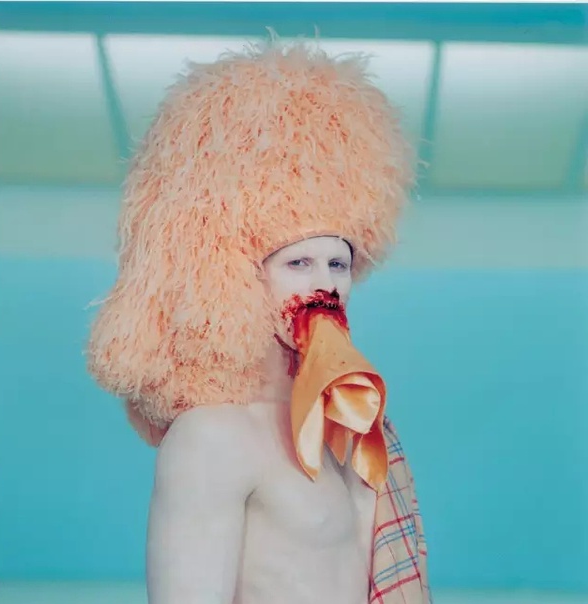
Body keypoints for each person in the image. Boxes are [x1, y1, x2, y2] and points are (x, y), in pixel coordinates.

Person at [86, 36, 431, 604]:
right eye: (298, 263)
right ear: (241, 278)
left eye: (338, 263)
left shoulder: (350, 429)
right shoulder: (212, 436)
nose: (325, 283)